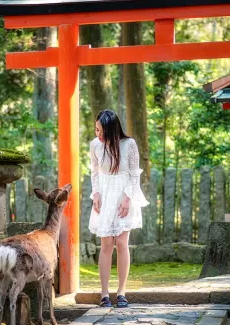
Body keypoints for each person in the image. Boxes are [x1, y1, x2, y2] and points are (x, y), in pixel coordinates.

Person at [88, 109, 149, 308]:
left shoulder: (129, 144)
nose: (98, 134)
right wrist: (95, 193)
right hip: (105, 194)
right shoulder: (95, 145)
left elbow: (134, 174)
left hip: (125, 193)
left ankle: (121, 292)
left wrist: (127, 198)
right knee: (106, 244)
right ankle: (104, 293)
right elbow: (94, 173)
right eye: (96, 130)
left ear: (112, 130)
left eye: (101, 131)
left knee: (122, 242)